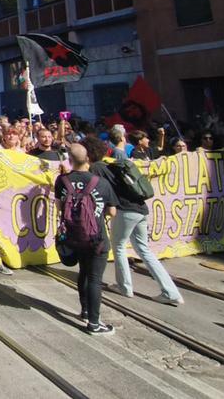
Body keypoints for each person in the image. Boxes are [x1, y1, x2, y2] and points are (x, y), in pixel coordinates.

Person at [88, 139, 183, 306]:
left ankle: (124, 286)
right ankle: (171, 291)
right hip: (140, 209)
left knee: (118, 246)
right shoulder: (112, 166)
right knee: (143, 249)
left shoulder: (96, 168)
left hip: (124, 211)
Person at [54, 140, 118, 335]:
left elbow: (59, 207)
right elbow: (112, 212)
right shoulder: (102, 183)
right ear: (88, 159)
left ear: (70, 160)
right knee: (95, 278)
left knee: (83, 273)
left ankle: (84, 310)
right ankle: (94, 323)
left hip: (74, 236)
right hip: (96, 237)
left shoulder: (61, 181)